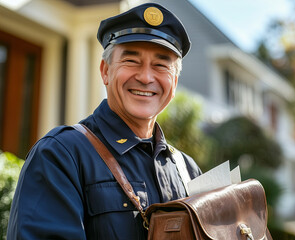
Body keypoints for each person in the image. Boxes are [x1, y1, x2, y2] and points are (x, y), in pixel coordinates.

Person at [7, 2, 201, 239]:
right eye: (131, 61)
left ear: (175, 82)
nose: (146, 77)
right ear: (105, 71)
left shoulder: (188, 170)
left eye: (161, 65)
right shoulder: (61, 155)